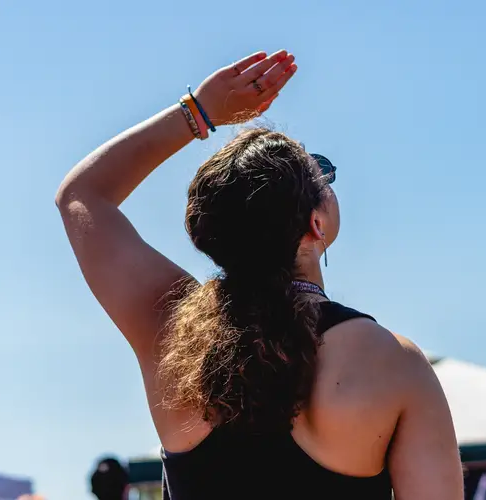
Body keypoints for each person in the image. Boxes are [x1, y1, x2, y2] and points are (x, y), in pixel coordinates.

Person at [56, 49, 464, 499]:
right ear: (316, 223)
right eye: (323, 176)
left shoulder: (173, 332)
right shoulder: (392, 362)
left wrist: (200, 111)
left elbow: (82, 194)